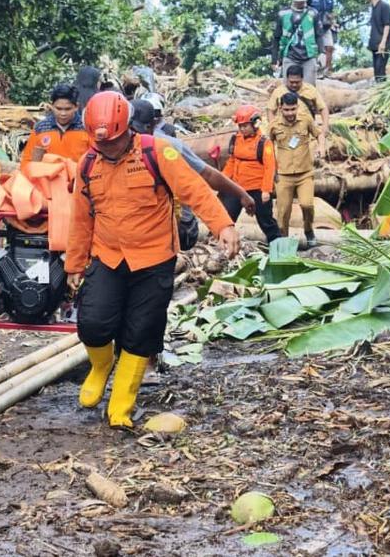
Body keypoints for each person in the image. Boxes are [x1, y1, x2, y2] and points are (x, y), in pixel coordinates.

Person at [68, 92, 240, 428]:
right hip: (108, 255)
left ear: (127, 130)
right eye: (102, 143)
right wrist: (74, 263)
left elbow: (196, 190)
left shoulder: (157, 151)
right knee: (92, 322)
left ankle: (121, 405)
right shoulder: (88, 163)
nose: (108, 148)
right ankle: (101, 366)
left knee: (140, 331)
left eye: (114, 141)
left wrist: (223, 226)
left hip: (154, 257)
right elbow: (80, 217)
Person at [130, 99, 256, 218]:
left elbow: (206, 176)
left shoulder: (168, 146)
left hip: (170, 222)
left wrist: (241, 194)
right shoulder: (116, 151)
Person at [221, 105, 280, 243]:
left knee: (266, 221)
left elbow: (270, 167)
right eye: (240, 126)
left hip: (257, 189)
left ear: (255, 123)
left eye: (245, 126)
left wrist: (266, 190)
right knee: (226, 218)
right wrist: (223, 179)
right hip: (237, 187)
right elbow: (232, 161)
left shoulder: (264, 143)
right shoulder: (236, 139)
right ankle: (220, 244)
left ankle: (277, 246)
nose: (242, 129)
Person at [269, 91, 320, 248]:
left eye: (293, 109)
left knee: (307, 205)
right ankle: (284, 241)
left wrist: (321, 148)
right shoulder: (274, 126)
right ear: (280, 108)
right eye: (286, 110)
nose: (290, 113)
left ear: (297, 107)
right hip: (283, 175)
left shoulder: (306, 119)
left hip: (305, 173)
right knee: (283, 212)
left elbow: (319, 134)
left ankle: (309, 231)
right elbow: (268, 147)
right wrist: (270, 170)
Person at [20, 83, 91, 163]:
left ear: (76, 107)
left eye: (67, 109)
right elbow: (27, 160)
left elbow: (95, 161)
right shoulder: (40, 128)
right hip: (47, 174)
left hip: (77, 174)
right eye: (59, 109)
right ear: (52, 106)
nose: (63, 113)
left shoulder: (87, 128)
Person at [266, 64, 328, 154]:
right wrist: (274, 126)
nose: (294, 85)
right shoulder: (278, 92)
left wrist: (325, 127)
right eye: (291, 82)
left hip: (305, 132)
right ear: (287, 79)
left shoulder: (310, 90)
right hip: (284, 132)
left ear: (302, 79)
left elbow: (323, 108)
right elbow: (270, 110)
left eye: (297, 82)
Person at [271, 0, 324, 85]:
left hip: (309, 57)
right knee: (289, 92)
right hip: (290, 56)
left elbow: (319, 35)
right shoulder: (283, 14)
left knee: (309, 91)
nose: (300, 2)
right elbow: (276, 38)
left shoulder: (313, 13)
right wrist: (274, 59)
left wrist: (321, 53)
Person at [308, 0, 337, 72]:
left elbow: (331, 9)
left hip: (326, 25)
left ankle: (328, 70)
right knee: (317, 49)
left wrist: (333, 21)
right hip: (314, 26)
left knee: (329, 47)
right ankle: (316, 70)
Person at [366, 0, 390, 82]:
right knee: (377, 71)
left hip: (382, 44)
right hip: (374, 44)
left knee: (381, 70)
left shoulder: (384, 6)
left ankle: (383, 91)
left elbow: (387, 25)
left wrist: (383, 42)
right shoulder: (373, 7)